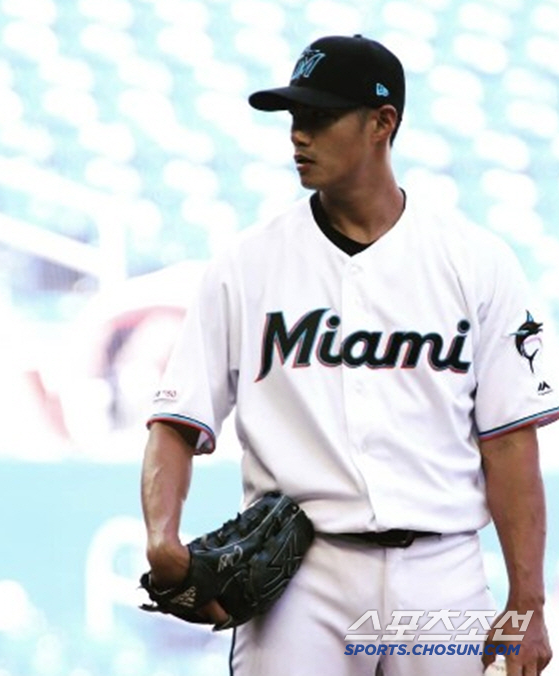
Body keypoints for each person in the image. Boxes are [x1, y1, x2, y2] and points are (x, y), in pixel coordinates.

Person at [140, 34, 559, 675]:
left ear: (381, 123)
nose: (297, 136)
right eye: (293, 118)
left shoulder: (475, 261)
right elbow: (175, 420)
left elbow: (509, 442)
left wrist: (527, 598)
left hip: (438, 571)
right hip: (302, 578)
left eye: (318, 117)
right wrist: (161, 537)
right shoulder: (246, 266)